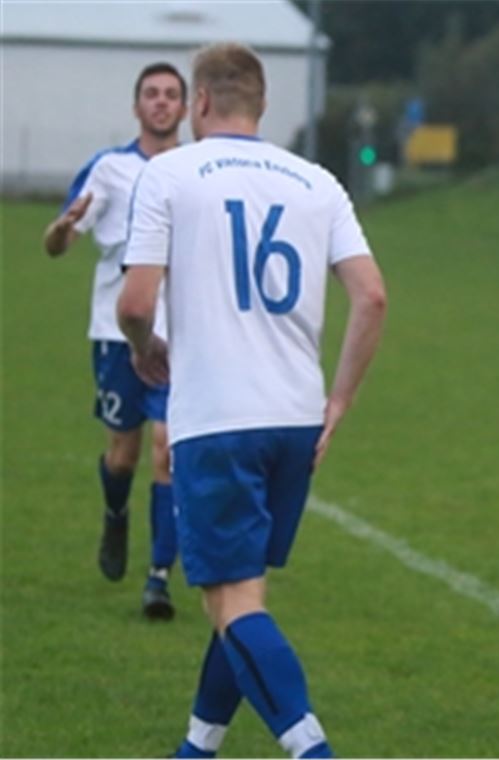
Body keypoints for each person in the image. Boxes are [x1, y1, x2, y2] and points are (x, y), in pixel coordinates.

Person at [117, 42, 387, 758]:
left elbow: (136, 300)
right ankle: (196, 748)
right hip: (296, 419)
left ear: (199, 102)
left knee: (231, 604)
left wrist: (145, 347)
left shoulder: (170, 172)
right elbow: (373, 296)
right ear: (262, 105)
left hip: (218, 420)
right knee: (244, 597)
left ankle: (312, 750)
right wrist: (340, 400)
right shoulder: (318, 181)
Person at [42, 62, 187, 619]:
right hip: (115, 330)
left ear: (184, 106)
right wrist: (60, 228)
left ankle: (158, 579)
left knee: (167, 450)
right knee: (123, 453)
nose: (161, 103)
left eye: (171, 94)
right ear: (136, 107)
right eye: (151, 94)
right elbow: (58, 243)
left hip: (180, 335)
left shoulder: (196, 170)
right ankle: (116, 513)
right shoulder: (109, 169)